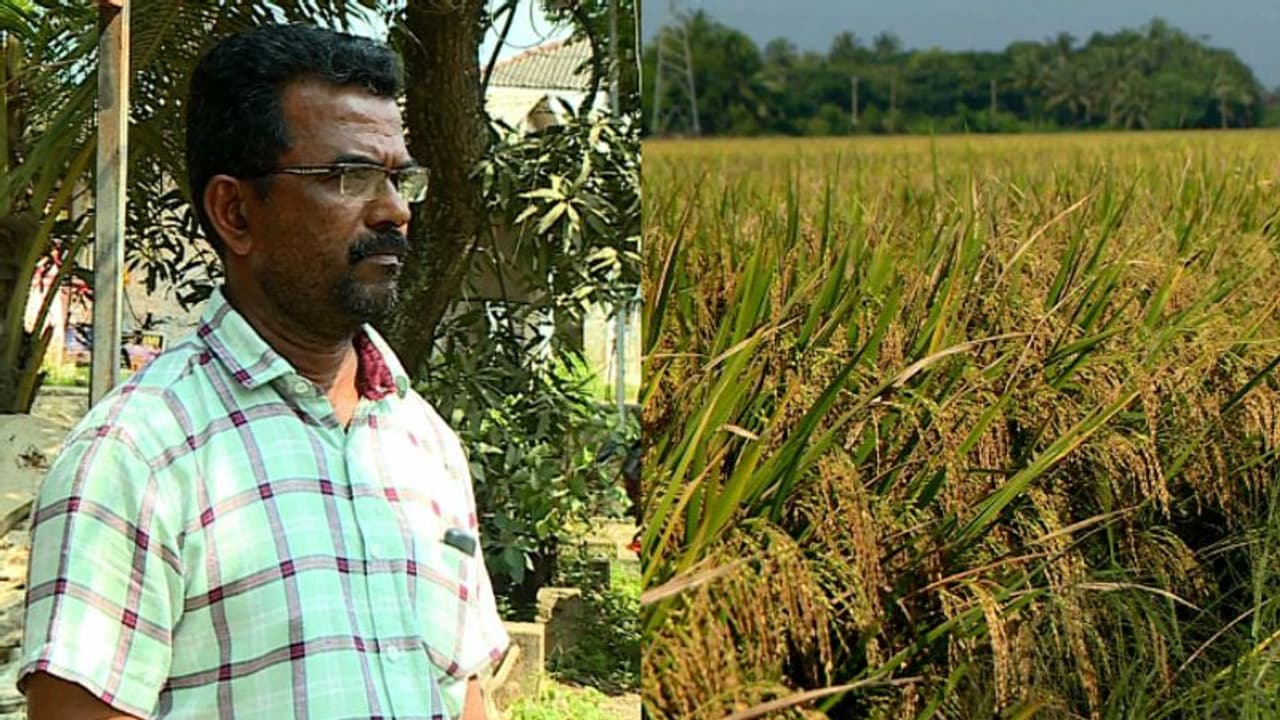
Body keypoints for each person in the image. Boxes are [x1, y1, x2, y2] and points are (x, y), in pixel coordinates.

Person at [18, 24, 508, 720]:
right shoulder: (135, 459)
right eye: (352, 177)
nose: (395, 209)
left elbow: (466, 695)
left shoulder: (423, 444)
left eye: (400, 178)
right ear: (235, 211)